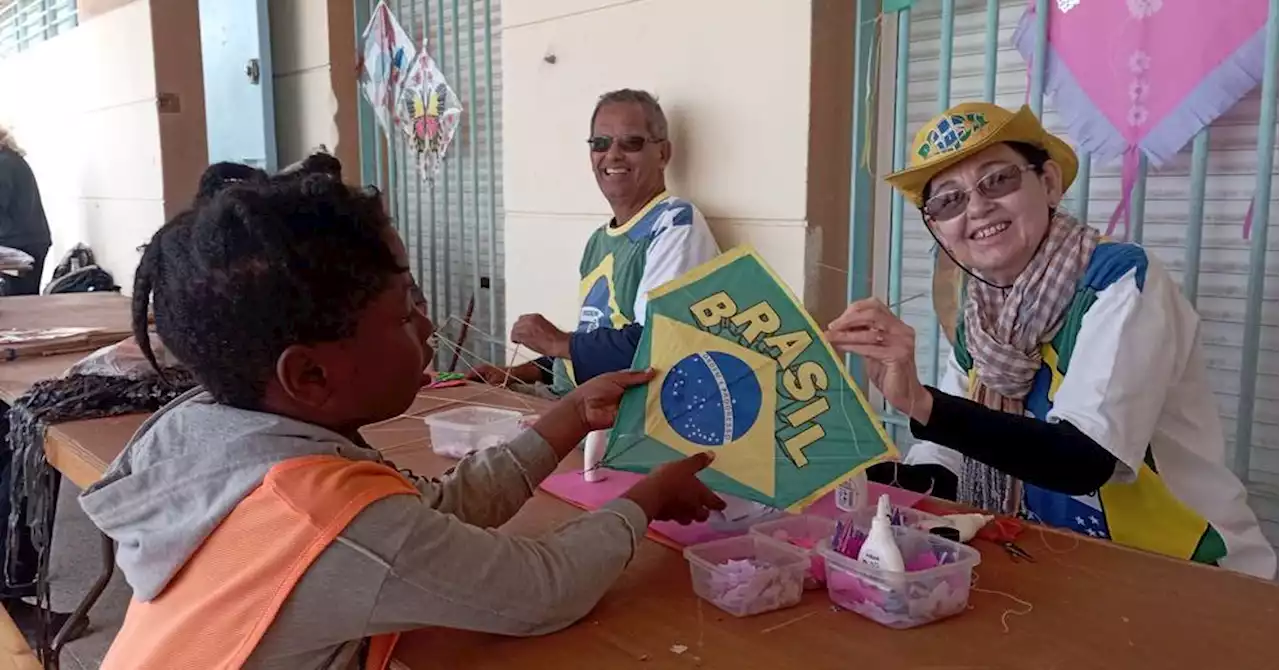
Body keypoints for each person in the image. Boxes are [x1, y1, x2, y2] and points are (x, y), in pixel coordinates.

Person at [79, 175, 725, 669]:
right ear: (309, 376)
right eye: (404, 310)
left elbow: (433, 509)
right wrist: (647, 498)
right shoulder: (327, 519)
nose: (427, 324)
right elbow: (546, 589)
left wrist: (566, 418)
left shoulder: (211, 430)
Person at [826, 102, 1276, 580]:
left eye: (997, 180)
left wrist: (920, 403)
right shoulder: (980, 316)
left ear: (1049, 184)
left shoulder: (1121, 281)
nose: (977, 208)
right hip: (1068, 571)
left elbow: (1082, 458)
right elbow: (951, 466)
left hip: (1188, 572)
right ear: (938, 229)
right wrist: (843, 474)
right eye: (948, 201)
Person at [467, 89, 720, 396]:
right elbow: (590, 345)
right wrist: (518, 373)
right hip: (574, 405)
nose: (612, 155)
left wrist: (558, 340)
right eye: (600, 143)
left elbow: (657, 346)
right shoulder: (600, 240)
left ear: (663, 154)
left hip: (619, 425)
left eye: (631, 143)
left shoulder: (675, 223)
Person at [0, 125, 52, 296]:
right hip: (28, 239)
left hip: (19, 243)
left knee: (17, 303)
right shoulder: (10, 158)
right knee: (25, 301)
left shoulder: (4, 163)